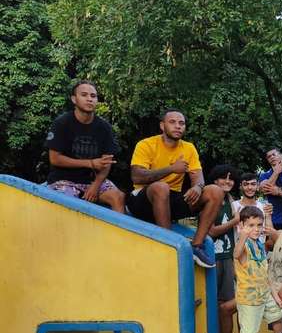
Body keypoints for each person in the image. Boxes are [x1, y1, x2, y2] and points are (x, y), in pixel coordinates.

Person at [127, 110, 223, 268]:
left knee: (215, 191)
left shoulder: (189, 148)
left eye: (181, 123)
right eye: (172, 122)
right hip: (143, 198)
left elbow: (198, 177)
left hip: (171, 200)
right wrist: (171, 168)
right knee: (161, 187)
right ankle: (170, 246)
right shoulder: (146, 144)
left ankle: (197, 246)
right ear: (162, 126)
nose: (178, 126)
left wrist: (198, 188)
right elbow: (137, 176)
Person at [45, 80, 125, 212]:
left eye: (93, 96)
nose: (89, 99)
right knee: (68, 203)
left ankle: (120, 232)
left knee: (118, 197)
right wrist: (90, 163)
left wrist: (96, 185)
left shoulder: (104, 128)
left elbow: (107, 162)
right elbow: (55, 159)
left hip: (93, 180)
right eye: (84, 95)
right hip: (64, 180)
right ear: (74, 99)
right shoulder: (62, 123)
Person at [207, 165, 240, 333]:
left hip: (229, 258)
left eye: (231, 179)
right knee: (213, 307)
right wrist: (235, 221)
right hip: (212, 258)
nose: (227, 182)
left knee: (226, 307)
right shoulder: (211, 199)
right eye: (223, 178)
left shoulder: (231, 202)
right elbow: (210, 231)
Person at [259, 147, 282, 229]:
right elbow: (265, 190)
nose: (271, 157)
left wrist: (279, 192)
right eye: (269, 156)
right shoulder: (264, 175)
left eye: (274, 154)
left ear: (281, 156)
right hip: (272, 219)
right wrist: (276, 172)